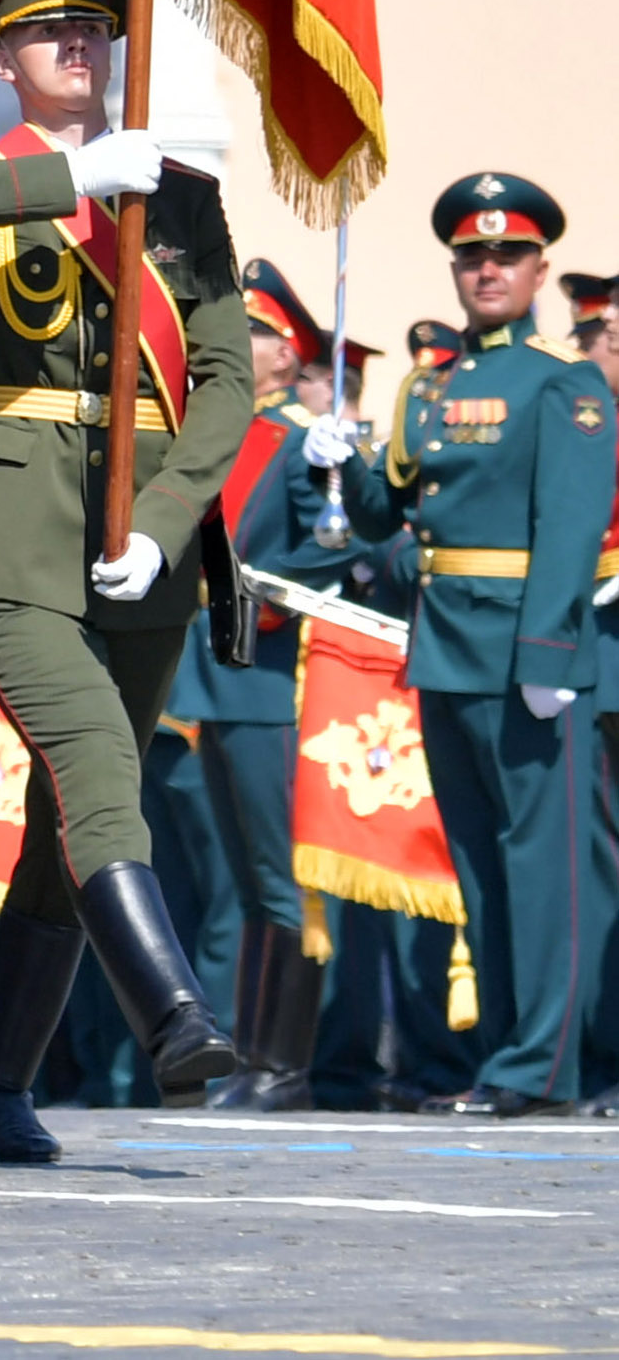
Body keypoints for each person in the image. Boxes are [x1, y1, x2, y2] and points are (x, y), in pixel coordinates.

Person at [0, 0, 251, 1163]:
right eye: (49, 33)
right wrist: (75, 178)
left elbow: (229, 379)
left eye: (96, 25)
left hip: (139, 539)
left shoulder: (183, 202)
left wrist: (162, 522)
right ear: (6, 59)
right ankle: (176, 1017)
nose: (78, 47)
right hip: (18, 527)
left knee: (66, 819)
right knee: (98, 762)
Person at [319, 173, 611, 1116]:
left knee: (546, 870)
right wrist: (349, 457)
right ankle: (505, 1059)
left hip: (525, 653)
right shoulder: (431, 385)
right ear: (455, 268)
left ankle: (546, 1067)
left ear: (538, 270)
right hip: (444, 647)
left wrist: (550, 657)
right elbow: (382, 515)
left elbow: (568, 529)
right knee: (482, 871)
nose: (490, 270)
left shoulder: (564, 384)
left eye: (509, 256)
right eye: (474, 257)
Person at [175, 260, 376, 1105]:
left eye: (253, 330)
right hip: (210, 675)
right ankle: (252, 1055)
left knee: (278, 873)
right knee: (246, 878)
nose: (235, 340)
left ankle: (283, 1061)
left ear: (290, 353)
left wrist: (261, 587)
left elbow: (341, 542)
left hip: (269, 680)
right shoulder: (217, 427)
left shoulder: (299, 437)